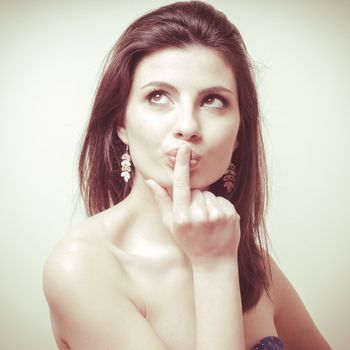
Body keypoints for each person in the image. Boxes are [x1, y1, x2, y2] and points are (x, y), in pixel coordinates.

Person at [43, 2, 331, 349]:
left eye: (212, 100)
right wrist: (213, 269)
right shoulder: (82, 268)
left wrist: (223, 258)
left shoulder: (251, 261)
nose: (188, 127)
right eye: (159, 96)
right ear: (121, 122)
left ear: (239, 131)